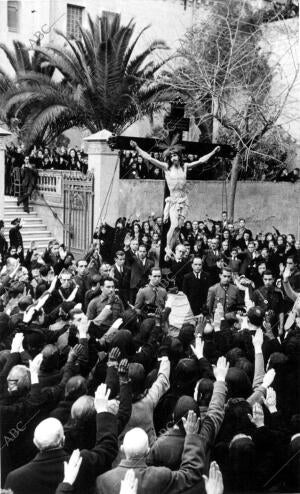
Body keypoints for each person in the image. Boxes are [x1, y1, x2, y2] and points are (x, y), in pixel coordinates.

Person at [130, 140, 220, 252]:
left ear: (179, 156)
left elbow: (200, 161)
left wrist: (213, 152)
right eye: (171, 156)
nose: (173, 157)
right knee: (174, 225)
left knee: (179, 228)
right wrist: (137, 147)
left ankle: (171, 248)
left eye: (175, 155)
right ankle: (167, 247)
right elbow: (149, 158)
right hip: (173, 201)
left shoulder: (185, 167)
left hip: (184, 201)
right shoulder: (166, 167)